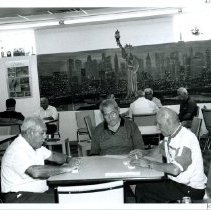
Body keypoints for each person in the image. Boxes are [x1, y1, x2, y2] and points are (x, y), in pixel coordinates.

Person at [129, 107, 207, 203]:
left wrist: (148, 163)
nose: (157, 127)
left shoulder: (186, 138)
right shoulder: (170, 135)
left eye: (159, 124)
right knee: (141, 184)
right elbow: (158, 150)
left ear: (169, 122)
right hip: (178, 183)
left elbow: (175, 169)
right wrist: (144, 152)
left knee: (142, 189)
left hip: (191, 189)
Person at [1, 116, 79, 203]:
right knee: (65, 201)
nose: (45, 136)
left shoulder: (35, 146)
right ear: (30, 132)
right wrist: (66, 168)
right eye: (42, 133)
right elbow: (35, 172)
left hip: (35, 192)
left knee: (71, 196)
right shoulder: (17, 149)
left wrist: (68, 159)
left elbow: (53, 156)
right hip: (17, 196)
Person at [115, 31, 139, 99]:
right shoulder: (126, 55)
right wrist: (117, 40)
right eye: (126, 49)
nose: (126, 50)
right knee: (129, 83)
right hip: (129, 71)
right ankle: (130, 94)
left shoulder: (132, 57)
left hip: (132, 71)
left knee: (133, 83)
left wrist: (134, 70)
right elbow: (121, 47)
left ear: (130, 50)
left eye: (128, 49)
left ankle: (134, 94)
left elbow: (137, 64)